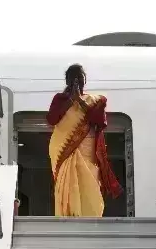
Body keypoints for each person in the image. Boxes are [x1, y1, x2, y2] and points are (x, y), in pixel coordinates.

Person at [47, 64, 122, 217]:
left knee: (91, 185)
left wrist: (80, 102)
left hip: (88, 151)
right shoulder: (60, 99)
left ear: (85, 80)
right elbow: (52, 119)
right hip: (63, 150)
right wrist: (70, 100)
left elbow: (100, 121)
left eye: (80, 77)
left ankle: (91, 220)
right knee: (68, 183)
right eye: (74, 78)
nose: (78, 81)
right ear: (68, 81)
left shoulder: (96, 101)